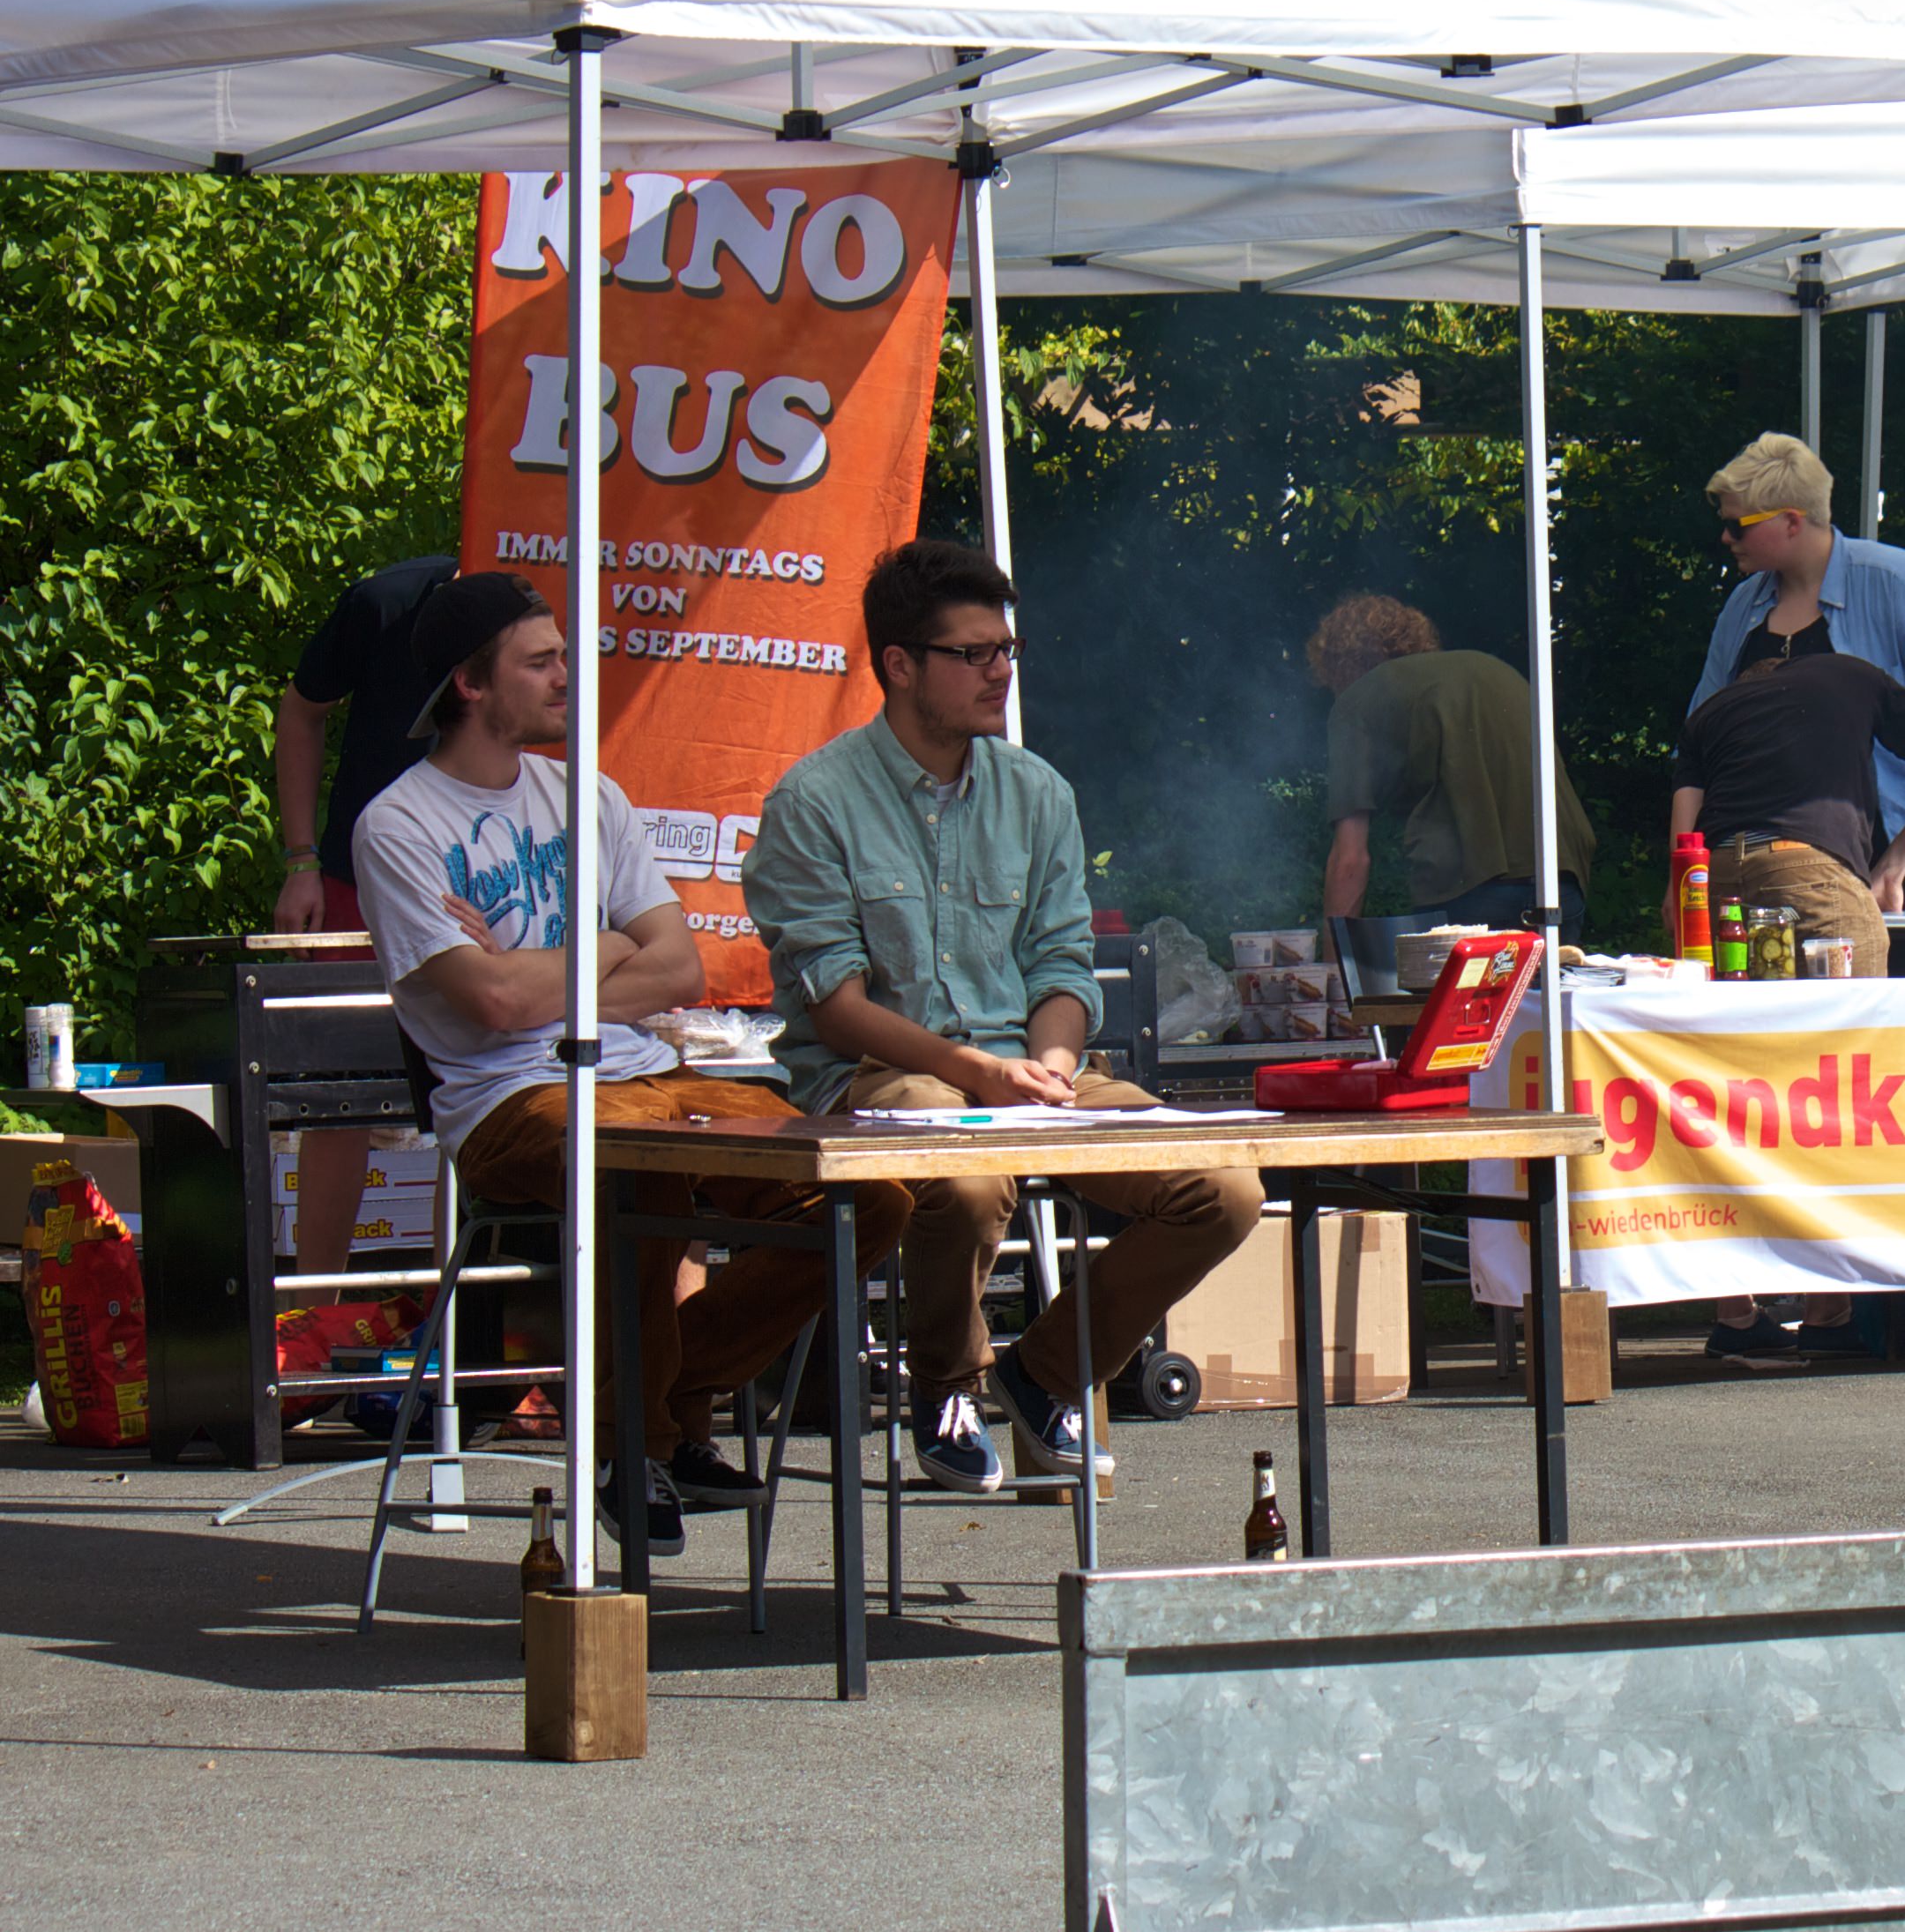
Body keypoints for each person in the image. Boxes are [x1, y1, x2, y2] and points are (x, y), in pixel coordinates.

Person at [350, 571, 909, 1557]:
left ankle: (677, 1394)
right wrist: (609, 948)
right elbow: (491, 1009)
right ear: (470, 684)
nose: (569, 676)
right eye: (541, 661)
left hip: (648, 1075)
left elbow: (679, 969)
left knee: (864, 1195)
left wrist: (549, 968)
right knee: (636, 1166)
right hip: (509, 1097)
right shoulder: (399, 825)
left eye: (564, 655)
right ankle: (633, 1445)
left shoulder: (589, 796)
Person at [746, 540, 1264, 1498]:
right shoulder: (814, 801)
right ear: (900, 665)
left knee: (1225, 1187)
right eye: (973, 652)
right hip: (878, 1079)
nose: (1000, 671)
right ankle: (944, 1385)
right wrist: (978, 1074)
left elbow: (1063, 965)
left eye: (1006, 649)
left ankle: (1044, 1371)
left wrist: (1053, 1063)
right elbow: (837, 1008)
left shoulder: (1037, 792)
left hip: (1025, 1069)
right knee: (966, 1170)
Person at [1673, 648, 1905, 1350]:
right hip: (1811, 877)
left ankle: (1735, 1313)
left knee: (1727, 1093)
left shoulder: (1710, 711)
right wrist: (1893, 867)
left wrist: (1684, 902)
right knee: (1842, 1087)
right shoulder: (1856, 675)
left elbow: (1683, 834)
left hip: (1710, 885)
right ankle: (1829, 1314)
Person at [1692, 434, 1905, 897]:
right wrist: (1686, 871)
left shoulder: (1900, 584)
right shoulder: (1741, 608)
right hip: (1766, 877)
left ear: (1791, 521)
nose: (1726, 537)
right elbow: (1698, 746)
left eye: (1737, 525)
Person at [273, 553, 456, 1291]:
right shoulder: (385, 600)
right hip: (357, 880)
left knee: (476, 1094)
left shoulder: (554, 599)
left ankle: (463, 1320)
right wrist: (301, 860)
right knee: (336, 1097)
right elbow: (301, 709)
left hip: (480, 877)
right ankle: (314, 1310)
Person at [1308, 594, 1595, 936]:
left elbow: (1350, 860)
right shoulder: (1489, 667)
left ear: (1339, 663)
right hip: (1562, 880)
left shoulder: (1357, 700)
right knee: (1546, 975)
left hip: (1471, 890)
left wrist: (1332, 963)